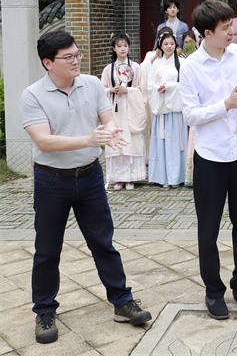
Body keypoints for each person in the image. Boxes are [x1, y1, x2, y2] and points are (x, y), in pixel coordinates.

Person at [22, 30, 152, 344]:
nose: (76, 61)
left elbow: (107, 118)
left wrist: (112, 131)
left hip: (90, 176)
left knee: (103, 242)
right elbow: (44, 141)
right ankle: (44, 311)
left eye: (77, 54)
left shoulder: (92, 84)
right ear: (48, 63)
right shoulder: (33, 95)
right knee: (47, 249)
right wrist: (90, 139)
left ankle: (122, 301)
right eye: (68, 57)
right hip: (51, 180)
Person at [180, 0, 237, 320]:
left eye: (231, 26)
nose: (233, 31)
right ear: (207, 33)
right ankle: (213, 291)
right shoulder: (190, 67)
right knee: (208, 228)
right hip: (210, 157)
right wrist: (226, 104)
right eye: (226, 27)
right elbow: (190, 115)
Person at [101, 32, 147, 191]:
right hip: (115, 110)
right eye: (119, 46)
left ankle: (131, 177)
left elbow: (143, 89)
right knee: (116, 137)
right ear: (113, 48)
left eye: (125, 46)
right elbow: (102, 89)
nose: (122, 49)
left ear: (129, 48)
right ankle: (118, 178)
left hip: (131, 108)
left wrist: (128, 90)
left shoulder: (136, 67)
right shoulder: (108, 69)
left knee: (131, 139)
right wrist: (111, 90)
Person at [146, 32, 187, 188]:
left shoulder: (182, 62)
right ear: (160, 46)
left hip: (175, 109)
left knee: (176, 143)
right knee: (161, 142)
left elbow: (185, 84)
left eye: (171, 43)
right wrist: (158, 89)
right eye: (166, 44)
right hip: (161, 107)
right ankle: (162, 176)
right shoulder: (156, 64)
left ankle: (177, 177)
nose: (169, 46)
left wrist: (169, 87)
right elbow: (150, 85)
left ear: (175, 44)